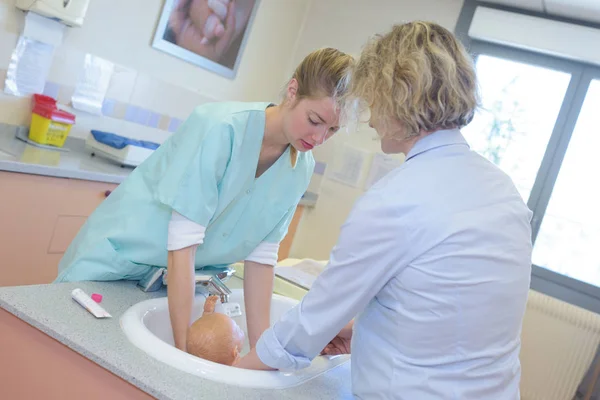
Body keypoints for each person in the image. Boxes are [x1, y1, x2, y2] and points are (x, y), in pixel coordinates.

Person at [236, 22, 533, 400]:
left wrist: (227, 375)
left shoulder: (396, 200)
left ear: (396, 99)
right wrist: (365, 332)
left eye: (372, 100)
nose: (371, 119)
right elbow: (458, 316)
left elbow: (307, 326)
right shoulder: (501, 189)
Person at [55, 47, 354, 352]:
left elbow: (262, 260)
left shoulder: (300, 167)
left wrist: (262, 351)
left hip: (173, 287)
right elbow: (183, 246)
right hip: (114, 269)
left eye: (332, 129)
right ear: (292, 92)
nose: (319, 138)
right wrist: (184, 349)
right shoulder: (221, 128)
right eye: (315, 120)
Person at [187, 295, 245, 366]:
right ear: (235, 352)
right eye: (237, 329)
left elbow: (207, 332)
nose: (239, 327)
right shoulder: (238, 367)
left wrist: (207, 313)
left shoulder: (205, 365)